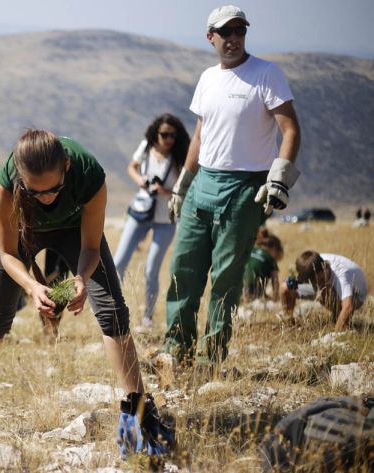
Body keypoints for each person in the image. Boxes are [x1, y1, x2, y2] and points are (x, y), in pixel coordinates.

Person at [0, 129, 174, 459]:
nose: (45, 198)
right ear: (20, 178)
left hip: (75, 231)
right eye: (34, 191)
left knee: (112, 310)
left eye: (54, 190)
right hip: (23, 234)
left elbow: (89, 246)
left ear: (67, 168)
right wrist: (31, 287)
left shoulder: (89, 175)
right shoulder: (6, 183)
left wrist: (81, 279)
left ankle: (139, 411)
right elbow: (8, 255)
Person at [163, 5, 301, 365]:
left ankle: (211, 359)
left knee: (226, 277)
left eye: (239, 31)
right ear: (211, 37)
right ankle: (176, 351)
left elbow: (291, 130)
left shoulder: (266, 74)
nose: (233, 39)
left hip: (245, 188)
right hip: (202, 183)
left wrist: (279, 179)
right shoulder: (208, 78)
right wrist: (182, 184)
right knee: (183, 270)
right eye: (226, 32)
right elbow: (199, 137)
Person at [113, 113, 190, 330]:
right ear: (156, 133)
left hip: (165, 219)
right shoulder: (146, 147)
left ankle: (147, 317)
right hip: (140, 211)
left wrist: (165, 191)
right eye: (165, 134)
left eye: (173, 135)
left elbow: (185, 186)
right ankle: (113, 309)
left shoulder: (180, 156)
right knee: (118, 262)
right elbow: (132, 167)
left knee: (151, 269)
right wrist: (142, 182)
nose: (169, 139)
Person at [280, 251, 369, 331]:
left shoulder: (341, 274)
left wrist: (334, 337)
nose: (318, 284)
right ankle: (289, 326)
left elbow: (348, 307)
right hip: (327, 286)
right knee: (285, 288)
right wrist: (292, 281)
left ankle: (338, 318)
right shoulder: (309, 266)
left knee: (323, 292)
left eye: (321, 279)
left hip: (356, 296)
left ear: (325, 266)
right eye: (313, 282)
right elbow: (287, 286)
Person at [242, 227, 283, 301]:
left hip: (239, 288)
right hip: (254, 291)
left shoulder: (252, 249)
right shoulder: (270, 258)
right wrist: (275, 298)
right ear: (274, 248)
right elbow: (275, 280)